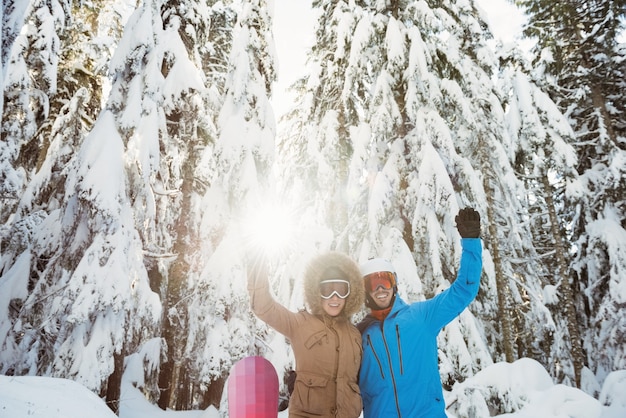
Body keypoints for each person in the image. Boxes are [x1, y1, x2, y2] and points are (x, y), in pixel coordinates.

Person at [357, 207, 482, 418]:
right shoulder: (359, 335)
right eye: (373, 283)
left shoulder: (422, 316)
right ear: (365, 291)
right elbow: (338, 377)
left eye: (385, 281)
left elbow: (463, 290)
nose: (380, 289)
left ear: (394, 285)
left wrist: (471, 243)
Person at [247, 251, 365, 418]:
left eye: (341, 290)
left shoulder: (355, 335)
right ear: (317, 292)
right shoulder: (300, 324)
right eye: (327, 290)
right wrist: (257, 257)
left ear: (350, 293)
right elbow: (263, 306)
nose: (335, 297)